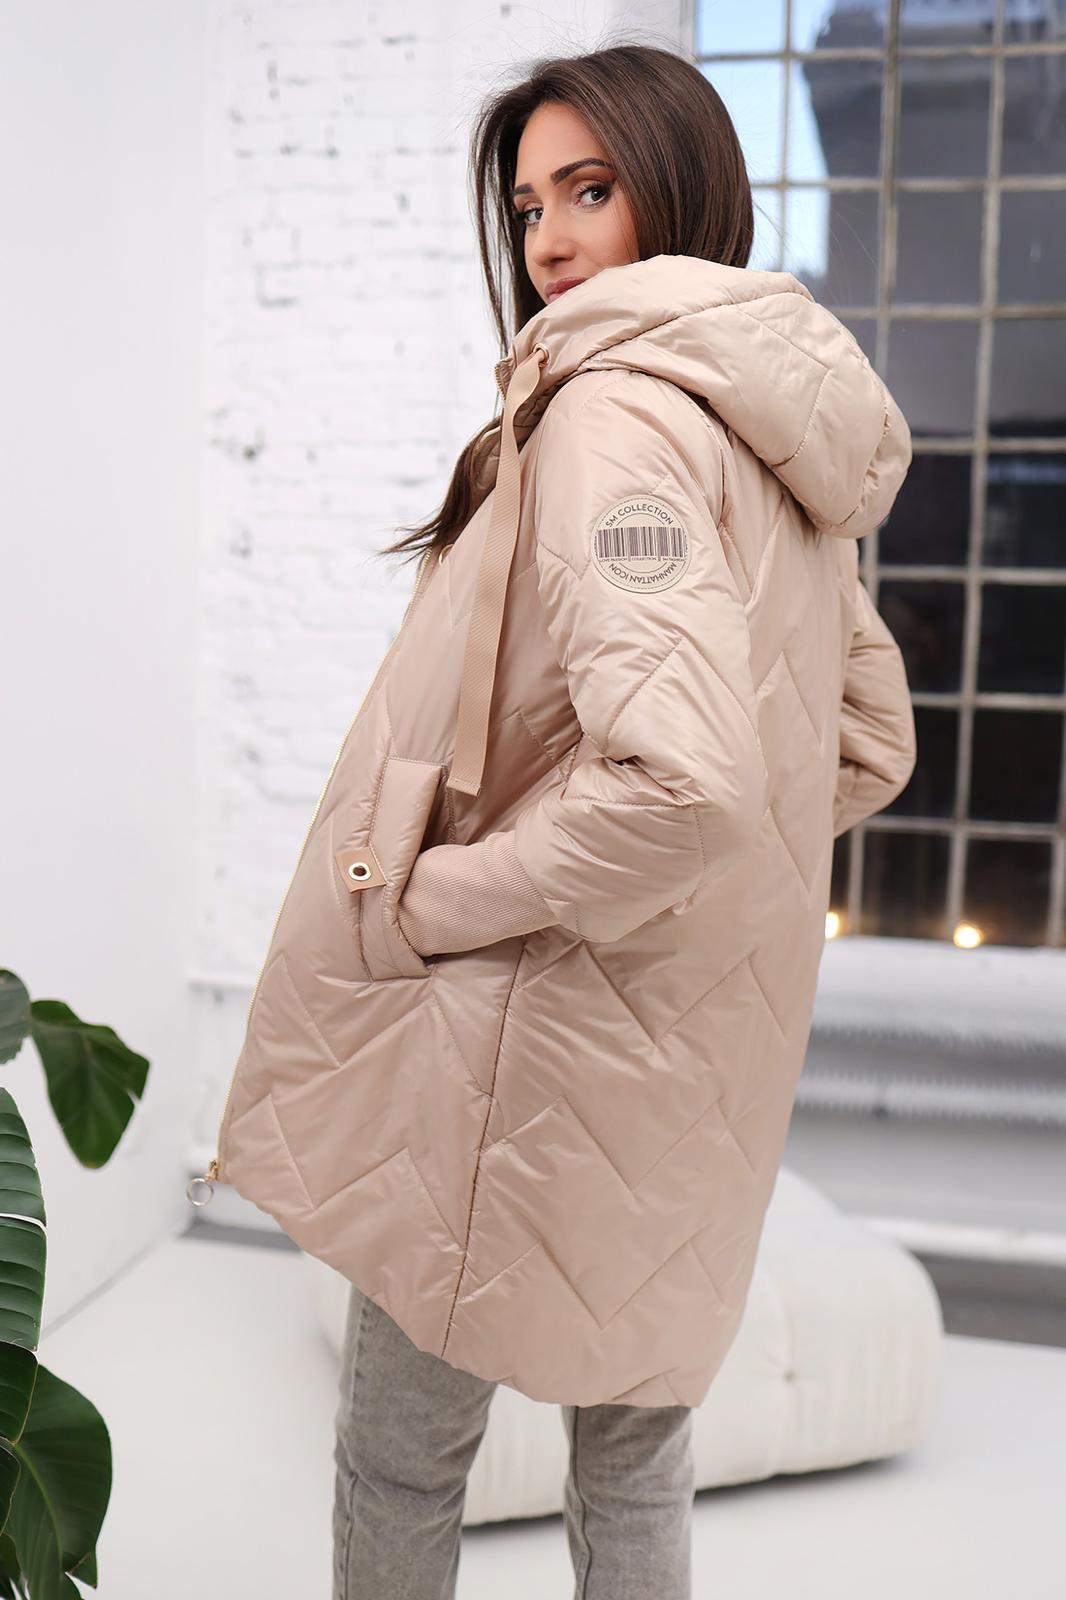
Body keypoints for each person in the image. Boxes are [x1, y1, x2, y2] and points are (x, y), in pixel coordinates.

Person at [192, 39, 917, 1600]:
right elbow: (859, 745)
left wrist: (446, 899)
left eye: (589, 190)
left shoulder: (615, 418)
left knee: (402, 1457)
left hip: (522, 1052)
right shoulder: (772, 434)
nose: (549, 241)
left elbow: (686, 779)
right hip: (692, 1048)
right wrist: (705, 899)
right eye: (529, 206)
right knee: (634, 1459)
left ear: (681, 184)